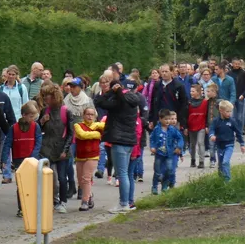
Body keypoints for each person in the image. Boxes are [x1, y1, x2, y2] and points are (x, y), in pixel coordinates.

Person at [94, 78, 141, 213]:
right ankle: (127, 202)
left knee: (122, 174)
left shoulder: (117, 103)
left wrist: (109, 92)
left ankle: (123, 203)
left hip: (118, 141)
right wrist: (117, 90)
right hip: (130, 141)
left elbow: (98, 101)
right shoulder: (133, 100)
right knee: (125, 173)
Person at [36, 83, 74, 213]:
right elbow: (37, 130)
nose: (45, 98)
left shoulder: (66, 111)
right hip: (47, 148)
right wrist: (41, 122)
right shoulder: (44, 111)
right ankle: (52, 201)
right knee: (48, 177)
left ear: (54, 96)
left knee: (62, 178)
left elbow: (70, 133)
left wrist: (65, 150)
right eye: (44, 96)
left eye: (48, 96)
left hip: (61, 148)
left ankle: (63, 202)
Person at [8, 102, 42, 217]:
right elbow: (8, 143)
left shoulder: (35, 126)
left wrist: (34, 155)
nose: (33, 119)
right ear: (24, 115)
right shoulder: (14, 128)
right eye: (31, 116)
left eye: (34, 116)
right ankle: (21, 208)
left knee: (33, 184)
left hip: (32, 159)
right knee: (21, 185)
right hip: (18, 159)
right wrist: (4, 160)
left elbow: (38, 141)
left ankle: (32, 207)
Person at [74, 107, 104, 211]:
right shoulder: (78, 125)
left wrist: (96, 127)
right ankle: (90, 196)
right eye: (88, 114)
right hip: (80, 156)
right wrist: (96, 134)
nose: (90, 116)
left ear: (95, 116)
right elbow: (81, 135)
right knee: (80, 180)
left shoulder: (99, 126)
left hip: (93, 156)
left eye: (92, 114)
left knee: (86, 178)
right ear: (83, 115)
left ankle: (85, 201)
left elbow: (106, 125)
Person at [150, 109, 185, 194]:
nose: (168, 121)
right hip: (159, 154)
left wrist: (179, 147)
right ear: (160, 119)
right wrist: (152, 147)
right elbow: (152, 138)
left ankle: (165, 185)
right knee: (157, 172)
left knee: (169, 170)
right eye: (166, 119)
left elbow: (180, 138)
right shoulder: (157, 129)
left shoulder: (172, 129)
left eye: (169, 119)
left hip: (169, 154)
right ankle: (154, 187)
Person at [209, 101, 245, 182]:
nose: (229, 113)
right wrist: (212, 135)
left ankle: (228, 181)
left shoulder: (232, 121)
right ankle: (221, 180)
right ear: (221, 110)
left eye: (230, 111)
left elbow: (238, 132)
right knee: (220, 165)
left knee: (225, 162)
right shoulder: (216, 121)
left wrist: (242, 144)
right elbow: (211, 129)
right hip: (219, 146)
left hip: (229, 145)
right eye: (227, 111)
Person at [149, 64, 188, 130]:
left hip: (173, 119)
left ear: (171, 72)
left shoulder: (178, 86)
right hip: (160, 118)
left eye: (166, 71)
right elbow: (153, 103)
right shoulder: (157, 85)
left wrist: (182, 121)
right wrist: (151, 119)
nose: (164, 73)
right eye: (162, 71)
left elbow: (184, 103)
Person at [187, 84, 209, 168]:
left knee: (200, 142)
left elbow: (207, 115)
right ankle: (193, 160)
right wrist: (185, 126)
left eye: (193, 91)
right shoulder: (189, 102)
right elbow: (186, 114)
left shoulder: (205, 102)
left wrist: (207, 125)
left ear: (198, 92)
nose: (191, 92)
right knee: (192, 144)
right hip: (191, 125)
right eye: (190, 91)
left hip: (201, 125)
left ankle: (201, 161)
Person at [229, 59, 245, 131]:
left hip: (241, 96)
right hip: (232, 97)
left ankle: (240, 130)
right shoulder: (229, 73)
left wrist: (244, 94)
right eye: (235, 64)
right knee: (233, 116)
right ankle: (234, 130)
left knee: (240, 116)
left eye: (238, 64)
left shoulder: (243, 73)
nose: (237, 65)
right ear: (232, 64)